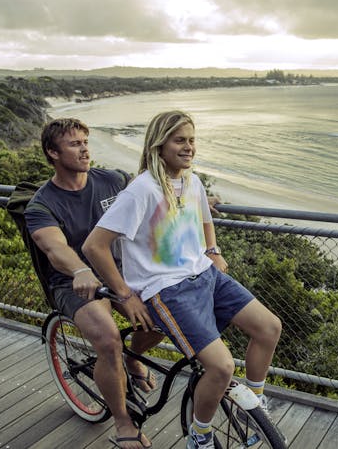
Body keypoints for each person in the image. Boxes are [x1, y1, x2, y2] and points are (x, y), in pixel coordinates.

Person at [82, 110, 282, 449]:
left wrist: (213, 249)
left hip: (204, 274)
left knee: (269, 327)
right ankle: (199, 435)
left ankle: (253, 406)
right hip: (167, 289)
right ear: (160, 145)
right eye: (180, 140)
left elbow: (204, 217)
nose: (188, 147)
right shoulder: (141, 190)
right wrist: (126, 295)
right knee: (221, 367)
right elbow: (94, 245)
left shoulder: (191, 181)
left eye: (191, 140)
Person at [25, 118, 162, 449]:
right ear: (52, 153)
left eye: (86, 141)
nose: (85, 148)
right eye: (74, 143)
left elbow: (153, 199)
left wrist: (195, 204)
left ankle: (133, 359)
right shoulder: (41, 205)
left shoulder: (113, 180)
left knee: (163, 316)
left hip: (120, 270)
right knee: (108, 339)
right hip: (73, 283)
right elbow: (55, 249)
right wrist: (79, 270)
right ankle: (123, 422)